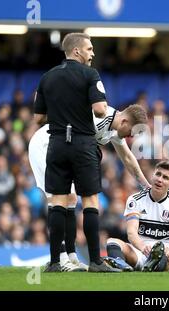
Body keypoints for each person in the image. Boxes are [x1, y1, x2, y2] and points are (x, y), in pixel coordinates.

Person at [28, 104, 150, 271]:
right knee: (58, 199)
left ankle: (71, 257)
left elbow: (128, 158)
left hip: (63, 152)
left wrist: (145, 184)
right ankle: (60, 257)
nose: (130, 136)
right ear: (125, 121)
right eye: (131, 132)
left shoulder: (113, 129)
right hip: (46, 145)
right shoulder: (97, 114)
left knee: (70, 198)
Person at [33, 32, 113, 272]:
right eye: (89, 49)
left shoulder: (47, 77)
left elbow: (38, 117)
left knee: (57, 201)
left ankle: (55, 262)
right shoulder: (90, 74)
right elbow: (100, 110)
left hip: (56, 144)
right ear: (77, 51)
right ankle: (96, 262)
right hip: (82, 143)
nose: (93, 53)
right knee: (89, 200)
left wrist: (61, 112)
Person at [104, 160, 169, 272]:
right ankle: (121, 264)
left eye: (165, 177)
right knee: (112, 242)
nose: (159, 179)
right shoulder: (135, 200)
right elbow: (131, 233)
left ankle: (154, 264)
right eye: (158, 174)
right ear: (152, 175)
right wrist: (143, 247)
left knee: (166, 254)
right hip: (140, 250)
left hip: (165, 252)